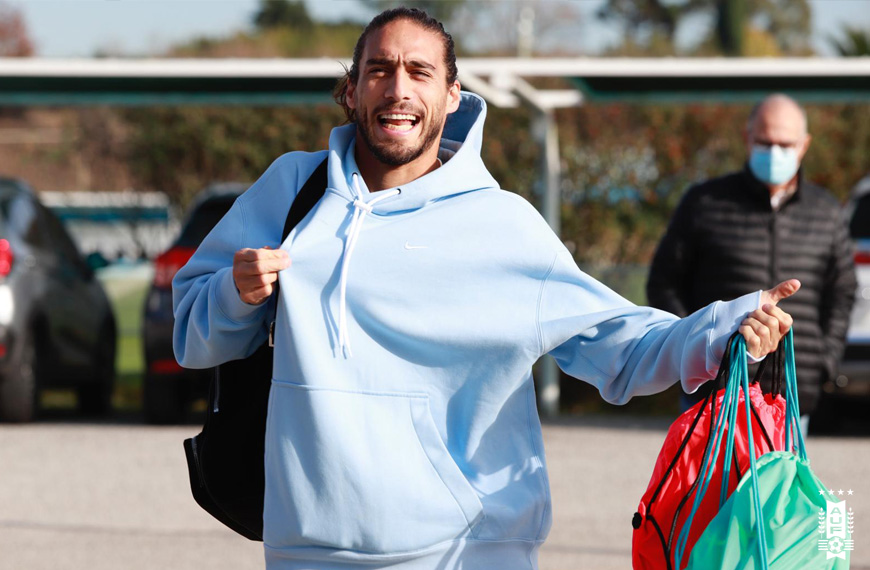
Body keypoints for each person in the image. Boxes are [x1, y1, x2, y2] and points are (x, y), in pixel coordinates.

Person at [173, 9, 797, 569]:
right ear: (352, 90)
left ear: (452, 96)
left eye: (420, 72)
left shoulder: (502, 224)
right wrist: (235, 294)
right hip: (305, 553)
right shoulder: (293, 190)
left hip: (467, 554)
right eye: (379, 69)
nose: (398, 88)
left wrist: (723, 328)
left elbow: (621, 347)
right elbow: (191, 337)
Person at [647, 94, 856, 434]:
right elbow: (664, 283)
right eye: (765, 142)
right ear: (747, 138)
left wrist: (825, 361)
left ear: (804, 145)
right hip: (712, 395)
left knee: (780, 473)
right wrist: (690, 348)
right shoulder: (704, 203)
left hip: (792, 399)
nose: (775, 152)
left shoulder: (827, 211)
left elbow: (842, 292)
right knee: (709, 473)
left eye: (785, 144)